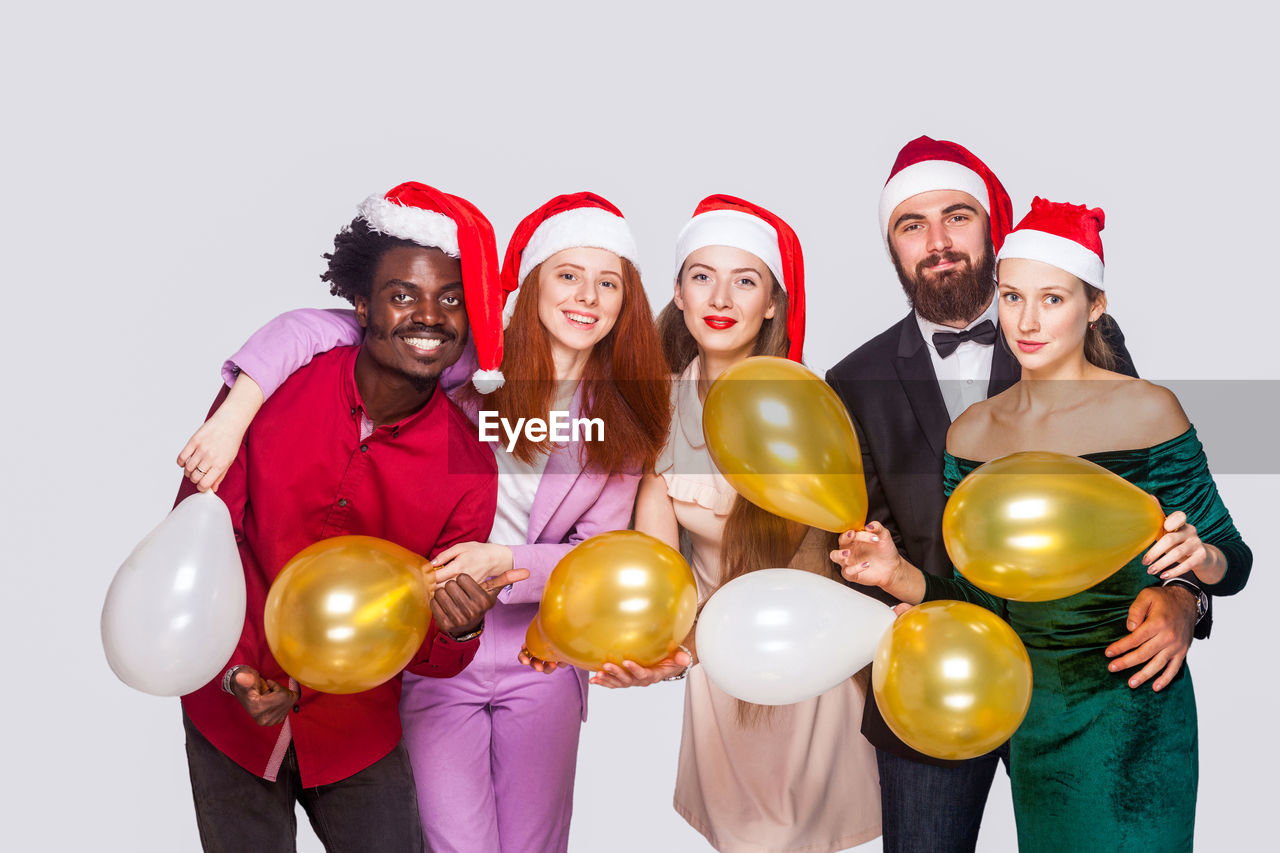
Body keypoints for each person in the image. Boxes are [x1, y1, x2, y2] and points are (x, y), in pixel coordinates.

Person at [178, 192, 671, 852]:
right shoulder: (465, 375)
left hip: (537, 648)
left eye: (608, 282)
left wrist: (504, 565)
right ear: (525, 287)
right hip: (423, 658)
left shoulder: (619, 424)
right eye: (568, 274)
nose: (587, 295)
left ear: (626, 302)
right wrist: (238, 404)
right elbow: (325, 330)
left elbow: (606, 552)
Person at [824, 136, 1210, 852]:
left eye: (957, 216)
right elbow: (856, 541)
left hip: (1090, 683)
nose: (938, 241)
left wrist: (1186, 597)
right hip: (938, 682)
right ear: (893, 248)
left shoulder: (1075, 335)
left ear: (991, 227)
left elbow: (1151, 497)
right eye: (912, 225)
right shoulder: (851, 380)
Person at [174, 181, 528, 853]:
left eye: (450, 298)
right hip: (227, 709)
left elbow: (435, 651)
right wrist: (240, 674)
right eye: (403, 295)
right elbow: (200, 545)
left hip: (355, 731)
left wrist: (462, 626)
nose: (430, 315)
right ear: (362, 304)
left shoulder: (470, 465)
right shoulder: (273, 392)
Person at [592, 195, 882, 853]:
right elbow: (658, 567)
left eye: (745, 280)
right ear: (678, 293)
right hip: (717, 670)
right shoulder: (656, 414)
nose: (720, 297)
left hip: (814, 668)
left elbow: (825, 564)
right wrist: (663, 653)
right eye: (702, 276)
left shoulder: (807, 409)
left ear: (772, 303)